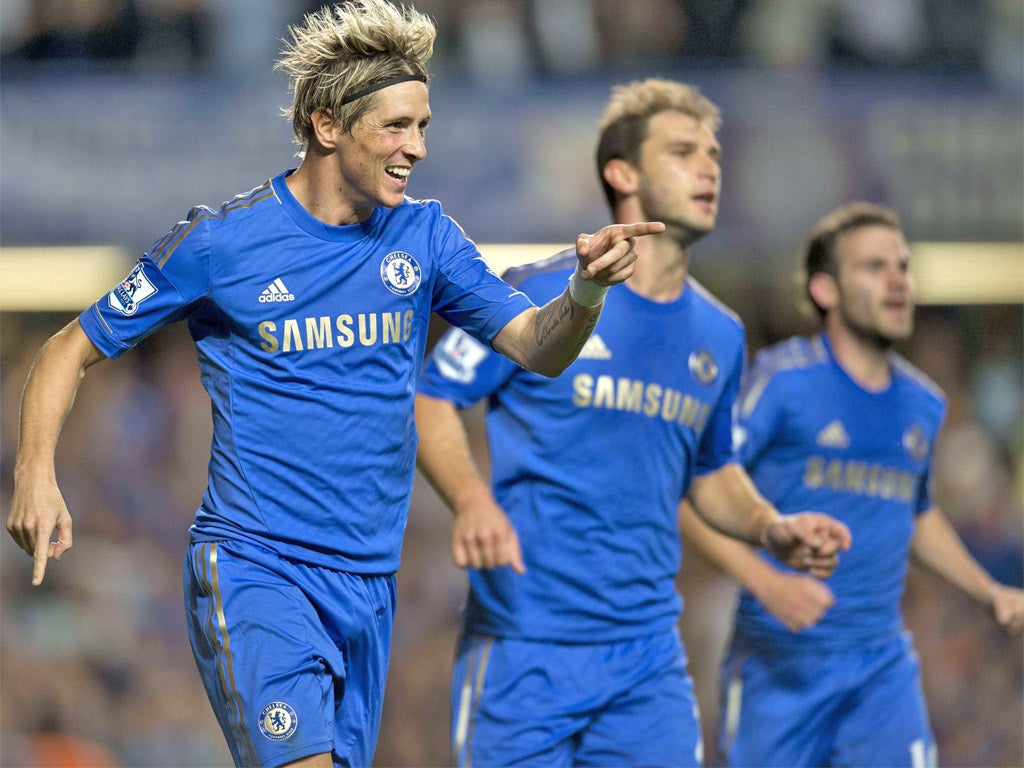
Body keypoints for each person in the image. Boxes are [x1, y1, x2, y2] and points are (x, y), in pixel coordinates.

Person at [4, 2, 665, 766]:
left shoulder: (427, 237)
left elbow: (536, 348)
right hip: (256, 567)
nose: (415, 147)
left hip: (368, 586)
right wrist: (35, 474)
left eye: (423, 126)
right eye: (396, 126)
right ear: (326, 126)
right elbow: (65, 349)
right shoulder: (223, 243)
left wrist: (584, 291)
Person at [414, 78, 852, 768]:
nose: (709, 166)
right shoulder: (536, 291)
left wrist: (773, 527)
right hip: (526, 644)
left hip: (647, 661)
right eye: (682, 152)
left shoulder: (720, 334)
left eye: (712, 153)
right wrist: (471, 501)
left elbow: (710, 475)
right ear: (623, 173)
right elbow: (433, 395)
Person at [679, 201, 1024, 767]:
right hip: (780, 666)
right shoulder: (782, 383)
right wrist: (767, 585)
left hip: (880, 671)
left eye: (902, 266)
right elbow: (697, 488)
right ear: (825, 290)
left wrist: (986, 592)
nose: (897, 281)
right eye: (873, 267)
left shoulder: (923, 405)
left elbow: (915, 513)